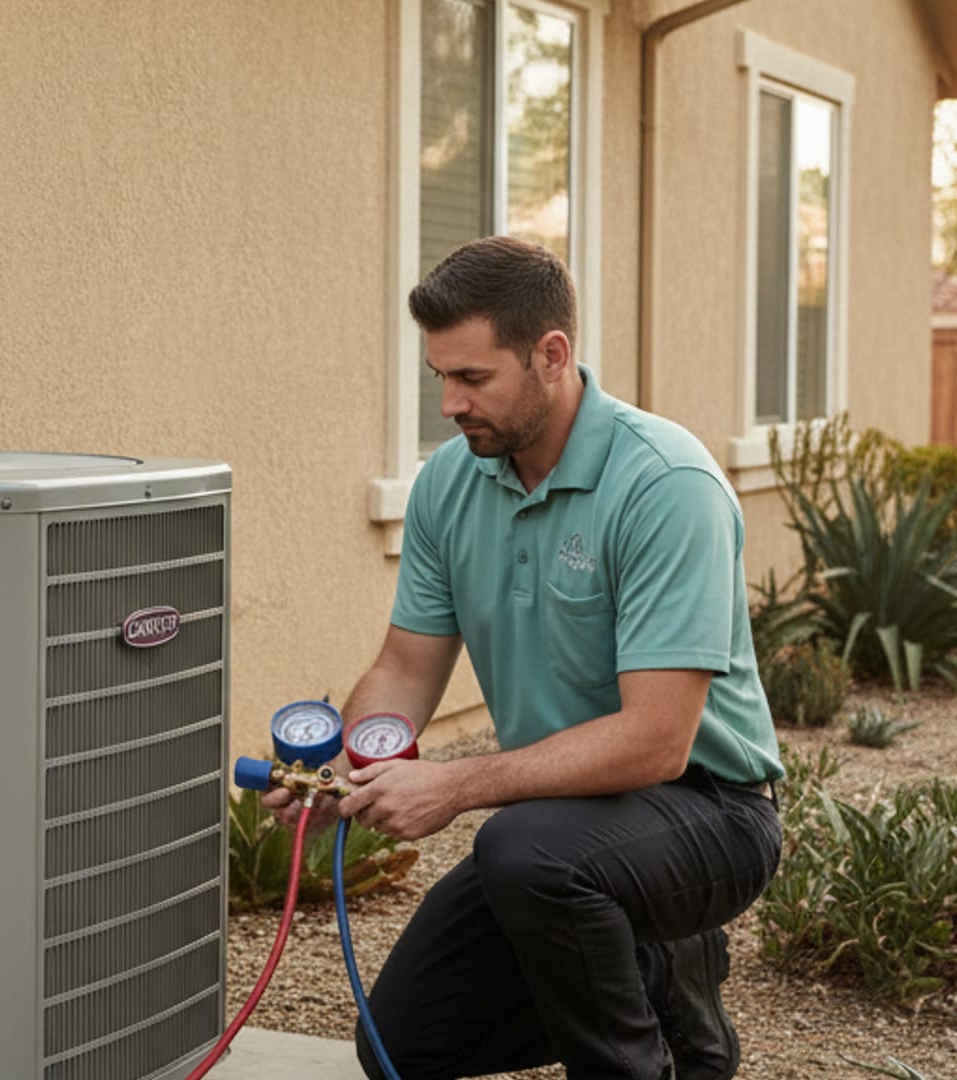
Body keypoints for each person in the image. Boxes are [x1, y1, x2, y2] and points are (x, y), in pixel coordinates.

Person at [266, 235, 784, 1080]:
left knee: (523, 849)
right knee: (402, 1041)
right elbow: (405, 667)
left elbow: (658, 741)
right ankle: (655, 971)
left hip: (710, 812)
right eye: (440, 377)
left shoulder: (666, 485)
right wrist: (339, 773)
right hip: (561, 824)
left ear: (552, 355)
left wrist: (456, 786)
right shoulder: (451, 484)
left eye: (473, 379)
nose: (449, 404)